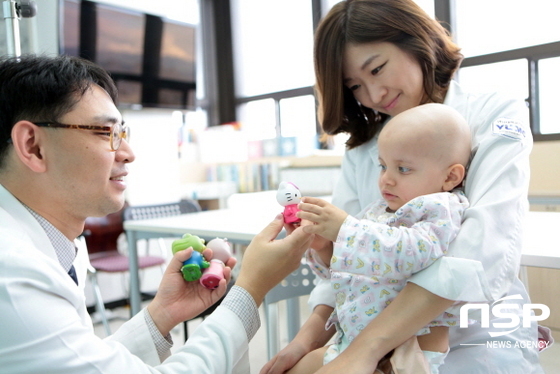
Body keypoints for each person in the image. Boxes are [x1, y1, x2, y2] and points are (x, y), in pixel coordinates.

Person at [261, 1, 549, 373]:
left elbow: (480, 255)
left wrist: (363, 350)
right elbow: (352, 268)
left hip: (472, 338)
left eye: (377, 69)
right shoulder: (365, 150)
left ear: (416, 42)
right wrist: (305, 340)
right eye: (355, 86)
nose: (374, 95)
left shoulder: (492, 115)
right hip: (371, 341)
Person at [0, 54, 314, 374]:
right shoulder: (12, 271)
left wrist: (162, 313)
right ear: (33, 146)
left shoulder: (45, 245)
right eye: (105, 132)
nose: (128, 153)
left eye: (123, 133)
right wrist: (250, 289)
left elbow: (83, 361)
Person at [287, 103, 471, 374]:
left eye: (403, 169)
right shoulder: (378, 211)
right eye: (383, 166)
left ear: (450, 177)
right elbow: (350, 269)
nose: (386, 179)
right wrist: (325, 248)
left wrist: (344, 230)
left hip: (407, 351)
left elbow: (414, 252)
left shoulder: (441, 208)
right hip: (353, 340)